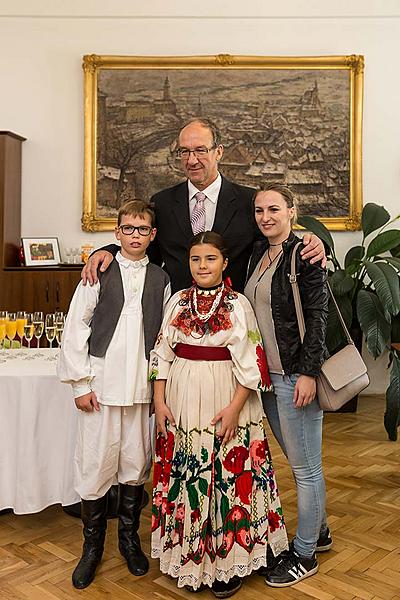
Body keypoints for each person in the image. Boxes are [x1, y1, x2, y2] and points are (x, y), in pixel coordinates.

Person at [150, 231, 288, 598]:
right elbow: (162, 353)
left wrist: (234, 408)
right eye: (196, 259)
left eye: (210, 259)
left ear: (224, 263)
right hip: (181, 397)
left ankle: (228, 561)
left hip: (227, 397)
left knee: (226, 471)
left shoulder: (238, 304)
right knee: (190, 472)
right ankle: (188, 553)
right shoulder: (178, 301)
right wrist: (160, 401)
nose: (202, 266)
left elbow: (252, 363)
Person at [58, 200, 171, 589]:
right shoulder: (99, 272)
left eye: (142, 230)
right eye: (128, 229)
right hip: (101, 389)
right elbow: (76, 327)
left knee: (135, 465)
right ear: (117, 233)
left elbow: (162, 338)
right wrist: (80, 384)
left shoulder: (161, 277)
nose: (135, 235)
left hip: (139, 391)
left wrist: (159, 389)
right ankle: (91, 549)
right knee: (94, 466)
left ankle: (128, 540)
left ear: (152, 236)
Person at [81, 118, 325, 293]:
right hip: (178, 320)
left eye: (200, 150)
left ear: (218, 152)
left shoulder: (248, 201)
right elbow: (144, 252)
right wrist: (109, 251)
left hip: (235, 323)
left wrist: (313, 243)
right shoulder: (163, 202)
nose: (192, 160)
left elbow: (276, 245)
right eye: (184, 152)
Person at [244, 182, 330, 588]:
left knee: (305, 468)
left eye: (274, 209)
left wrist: (309, 373)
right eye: (260, 210)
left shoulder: (304, 254)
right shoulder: (260, 255)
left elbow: (318, 316)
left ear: (292, 212)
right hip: (268, 379)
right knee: (300, 461)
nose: (266, 217)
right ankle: (322, 531)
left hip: (295, 376)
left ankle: (306, 552)